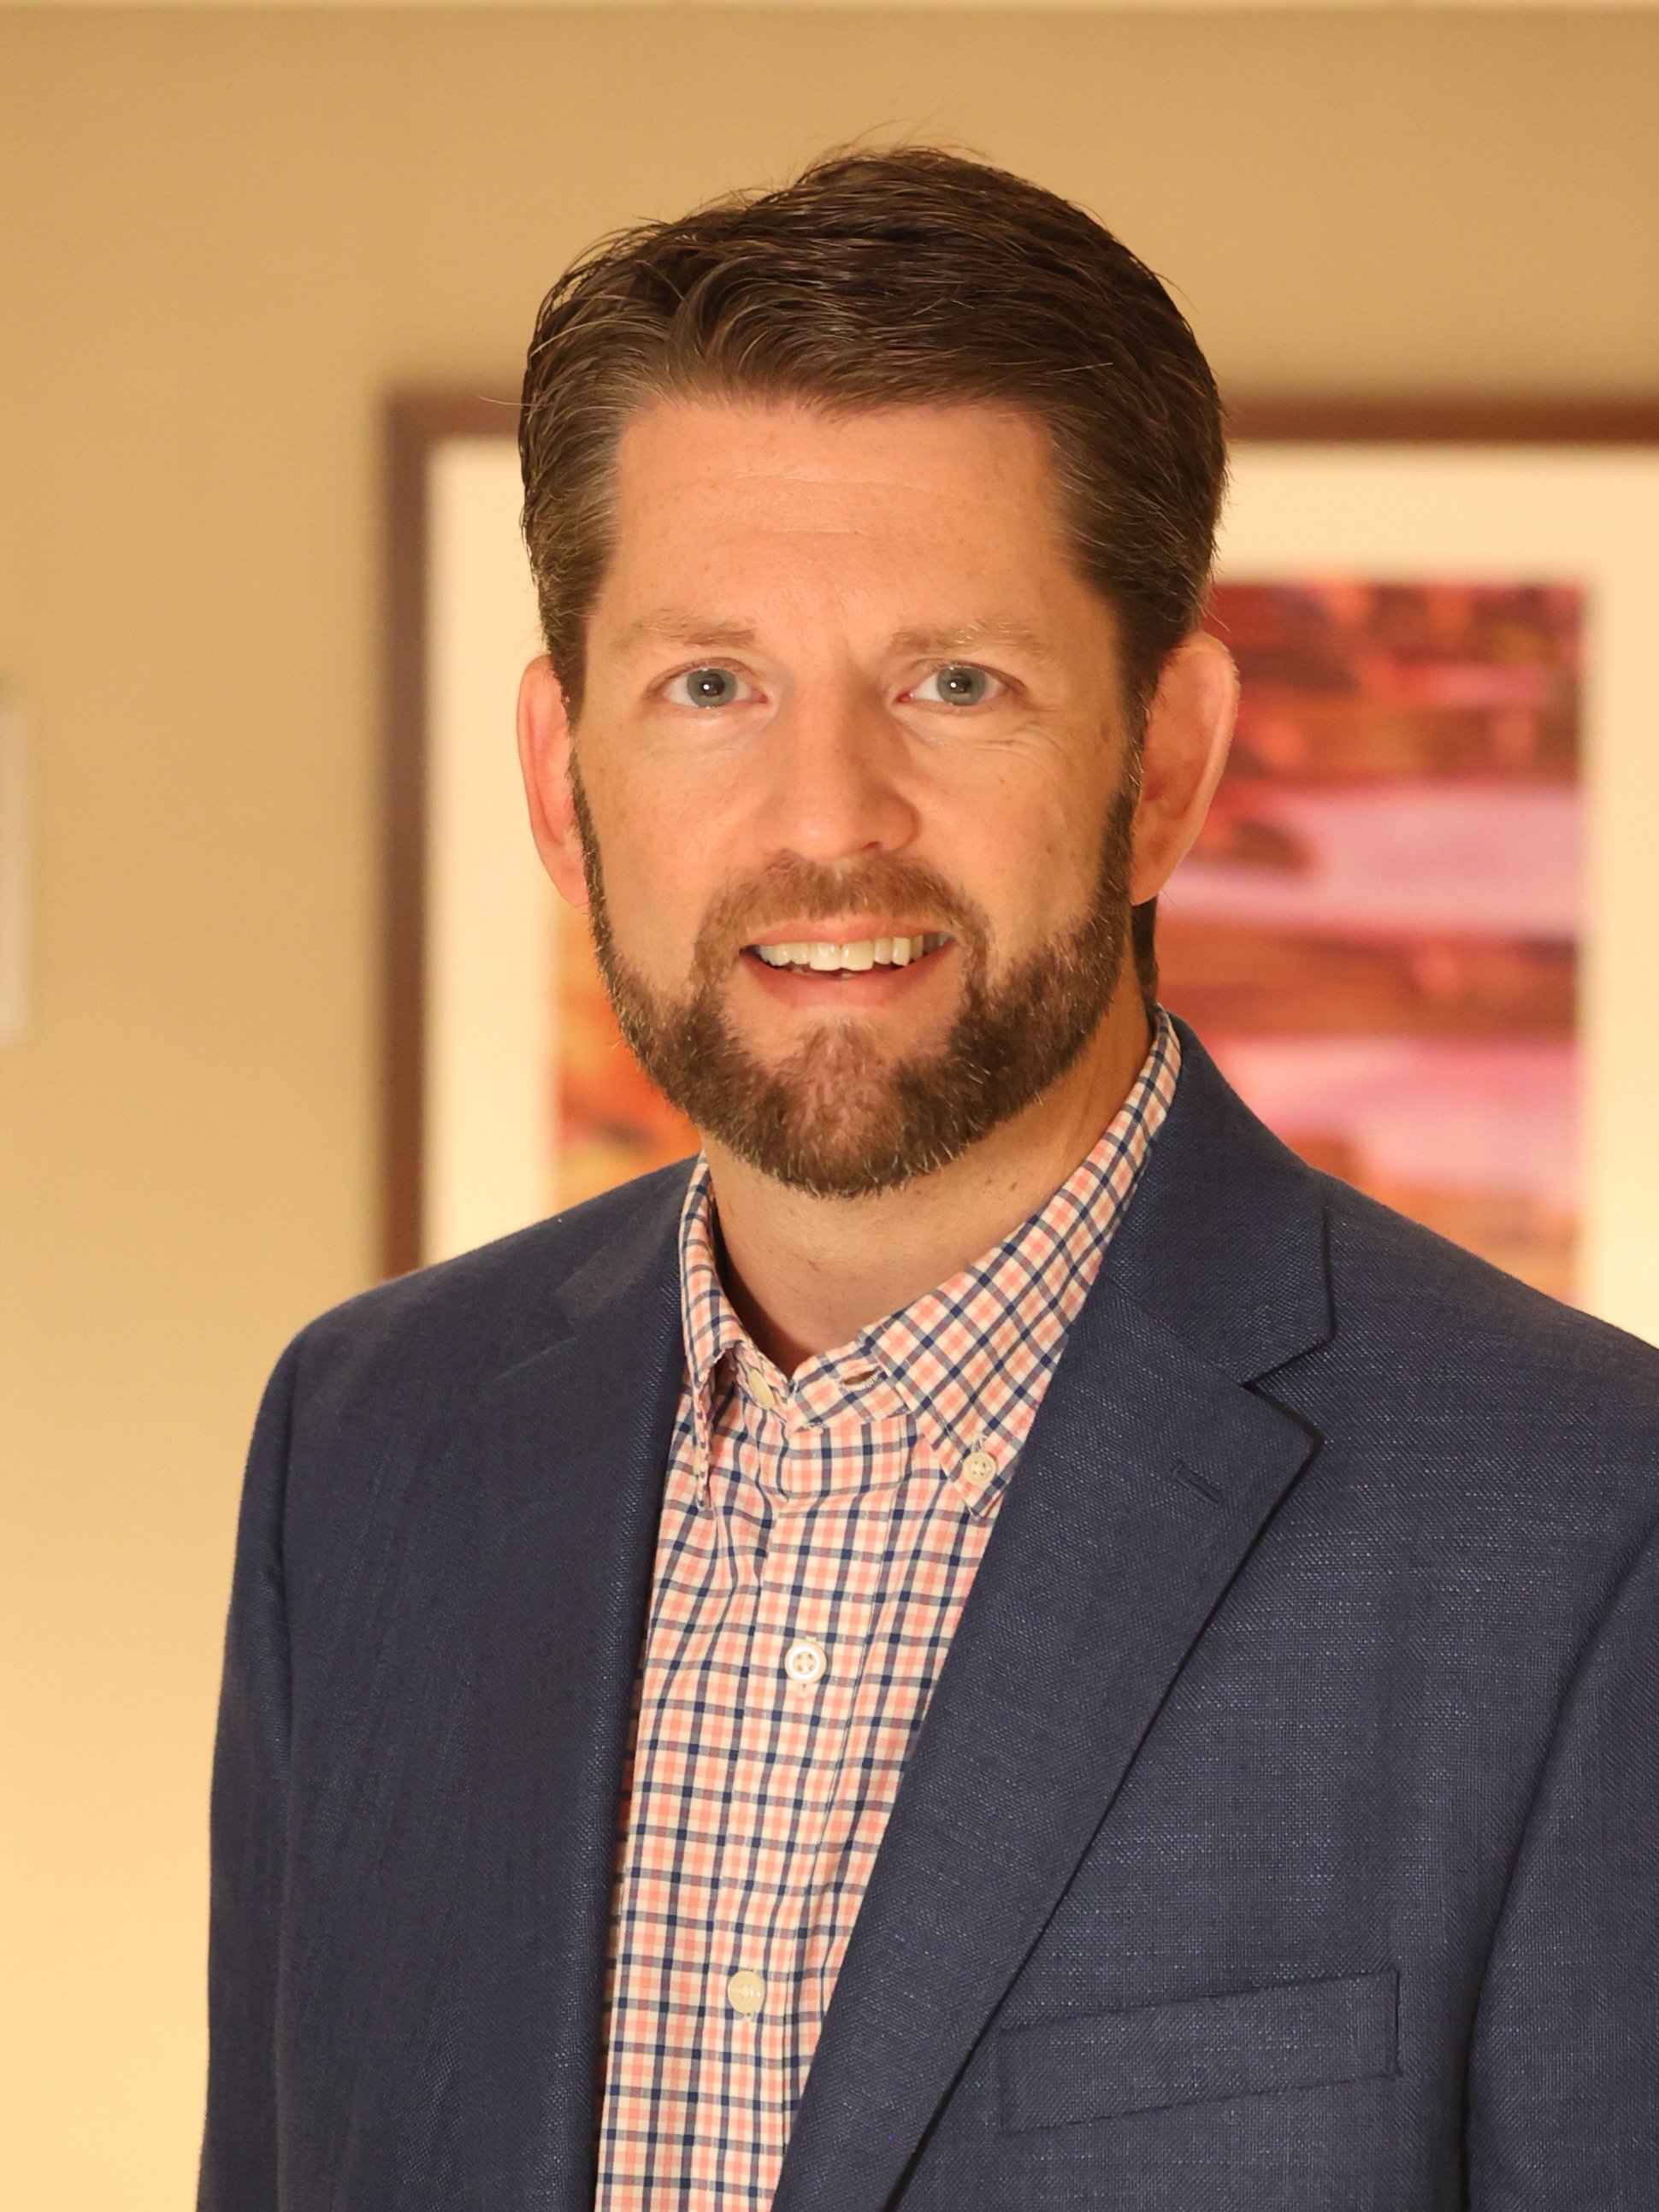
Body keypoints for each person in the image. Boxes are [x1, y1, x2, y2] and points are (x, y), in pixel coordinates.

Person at [198, 148, 1659, 2212]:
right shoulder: (361, 1447)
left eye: (953, 684)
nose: (829, 819)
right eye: (711, 686)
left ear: (1164, 765)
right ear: (560, 778)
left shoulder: (1586, 1528)